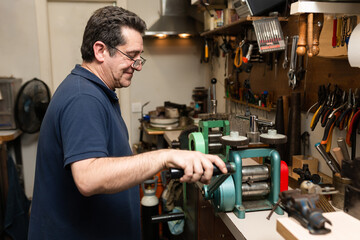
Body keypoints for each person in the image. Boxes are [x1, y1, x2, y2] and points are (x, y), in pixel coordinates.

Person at [28, 6, 227, 240]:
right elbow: (88, 178)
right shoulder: (83, 98)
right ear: (101, 50)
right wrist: (163, 157)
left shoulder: (98, 92)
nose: (137, 65)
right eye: (131, 56)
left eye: (139, 57)